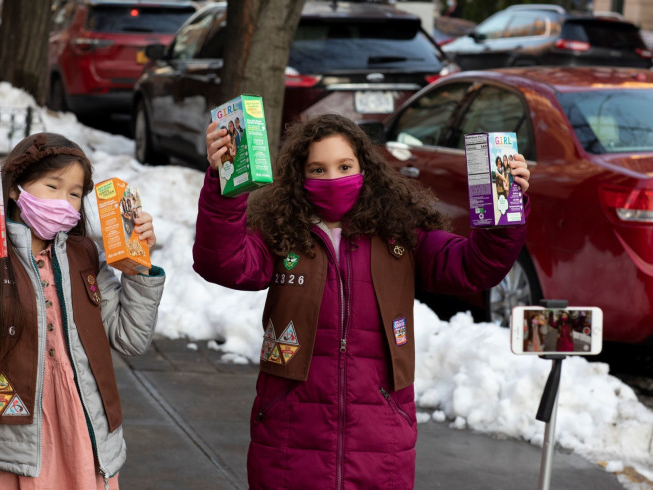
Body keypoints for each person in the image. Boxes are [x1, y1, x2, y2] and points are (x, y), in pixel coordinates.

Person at [193, 114, 530, 488]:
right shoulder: (281, 233)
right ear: (300, 178)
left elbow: (475, 268)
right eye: (318, 169)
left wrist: (506, 202)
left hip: (380, 445)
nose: (333, 178)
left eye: (344, 166)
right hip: (289, 442)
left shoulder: (400, 236)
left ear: (364, 169)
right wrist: (224, 188)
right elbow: (222, 263)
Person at [0, 133, 166, 489]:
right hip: (10, 437)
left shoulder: (86, 255)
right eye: (52, 185)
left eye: (75, 193)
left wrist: (140, 266)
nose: (64, 201)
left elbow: (130, 338)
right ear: (16, 189)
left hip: (85, 428)